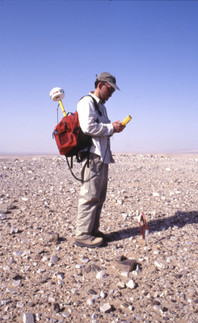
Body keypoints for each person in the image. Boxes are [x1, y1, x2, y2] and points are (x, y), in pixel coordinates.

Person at [74, 72, 126, 248]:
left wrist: (114, 128)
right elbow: (88, 127)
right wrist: (112, 127)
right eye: (109, 89)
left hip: (102, 157)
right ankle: (82, 235)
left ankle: (93, 231)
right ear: (100, 85)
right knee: (89, 196)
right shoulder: (86, 102)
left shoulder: (101, 106)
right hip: (92, 156)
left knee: (99, 197)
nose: (111, 93)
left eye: (112, 91)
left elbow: (102, 129)